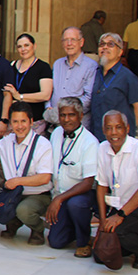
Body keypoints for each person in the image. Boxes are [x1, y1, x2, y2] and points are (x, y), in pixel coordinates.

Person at [95, 110, 138, 270]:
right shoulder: (102, 148)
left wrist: (120, 216)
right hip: (120, 209)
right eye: (109, 128)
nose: (114, 133)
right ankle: (136, 238)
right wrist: (103, 219)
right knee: (100, 256)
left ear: (127, 128)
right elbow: (101, 185)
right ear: (104, 130)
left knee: (119, 232)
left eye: (118, 127)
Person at [0, 102, 53, 245]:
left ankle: (37, 229)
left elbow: (45, 177)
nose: (19, 126)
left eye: (23, 121)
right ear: (10, 123)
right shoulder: (8, 140)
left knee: (24, 210)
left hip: (36, 194)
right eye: (15, 122)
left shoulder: (43, 144)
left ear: (31, 122)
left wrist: (18, 181)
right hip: (11, 193)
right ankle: (13, 222)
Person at [45, 97, 100, 257]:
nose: (66, 119)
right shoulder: (56, 134)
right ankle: (72, 227)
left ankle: (84, 241)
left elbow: (88, 183)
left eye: (71, 115)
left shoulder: (90, 142)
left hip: (80, 196)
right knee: (56, 242)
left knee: (76, 205)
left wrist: (59, 199)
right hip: (60, 195)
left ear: (81, 116)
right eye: (63, 115)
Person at [90, 33, 138, 142]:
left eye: (110, 44)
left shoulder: (128, 77)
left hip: (118, 140)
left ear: (120, 52)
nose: (105, 47)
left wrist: (128, 130)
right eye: (102, 44)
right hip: (96, 137)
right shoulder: (95, 73)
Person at [3, 33, 53, 135]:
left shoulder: (43, 67)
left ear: (34, 46)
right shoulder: (11, 66)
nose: (23, 49)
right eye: (19, 47)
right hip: (14, 122)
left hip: (34, 122)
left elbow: (46, 95)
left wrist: (19, 96)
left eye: (26, 45)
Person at [49, 27, 98, 126]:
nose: (69, 43)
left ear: (81, 42)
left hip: (77, 123)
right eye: (65, 40)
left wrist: (66, 113)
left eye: (73, 40)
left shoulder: (91, 66)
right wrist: (48, 108)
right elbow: (49, 91)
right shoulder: (57, 64)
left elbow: (88, 97)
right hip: (54, 121)